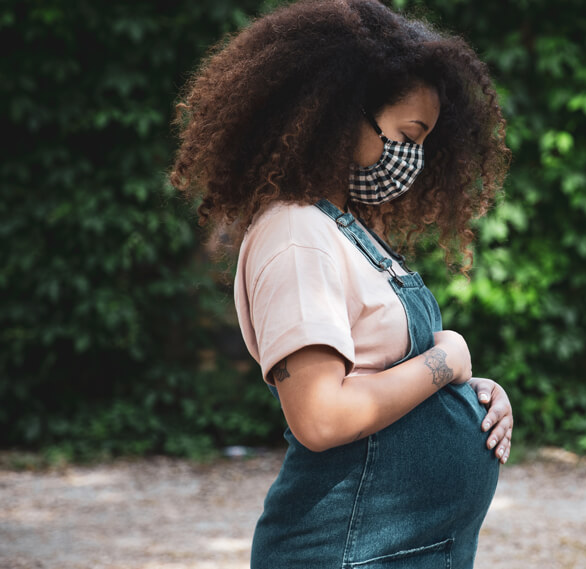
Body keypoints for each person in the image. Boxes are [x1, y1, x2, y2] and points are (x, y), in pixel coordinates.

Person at [169, 1, 513, 567]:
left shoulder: (343, 228)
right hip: (349, 550)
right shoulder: (296, 234)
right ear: (340, 115)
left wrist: (470, 395)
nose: (413, 158)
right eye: (407, 135)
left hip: (396, 547)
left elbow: (379, 373)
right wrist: (445, 360)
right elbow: (321, 417)